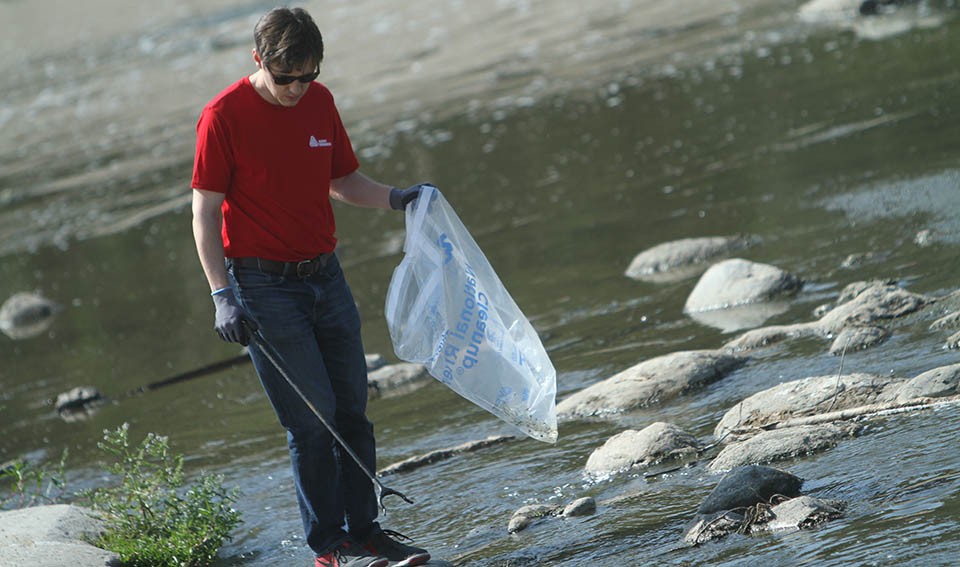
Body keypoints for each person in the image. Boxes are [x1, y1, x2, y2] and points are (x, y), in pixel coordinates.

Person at [190, 7, 431, 567]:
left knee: (352, 408)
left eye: (309, 75)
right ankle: (331, 546)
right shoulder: (222, 116)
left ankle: (368, 532)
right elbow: (204, 212)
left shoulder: (319, 103)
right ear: (259, 61)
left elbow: (341, 179)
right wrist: (221, 294)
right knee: (313, 420)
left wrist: (399, 197)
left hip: (325, 274)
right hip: (262, 286)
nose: (298, 88)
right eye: (286, 77)